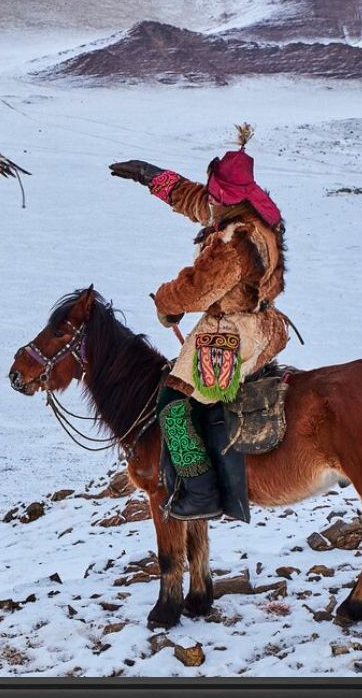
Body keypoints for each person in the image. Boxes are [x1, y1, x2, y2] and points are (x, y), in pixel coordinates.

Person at [109, 123, 290, 520]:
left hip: (232, 332)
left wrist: (165, 303)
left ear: (228, 199)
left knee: (172, 402)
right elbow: (193, 198)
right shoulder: (253, 215)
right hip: (265, 325)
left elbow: (196, 289)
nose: (210, 202)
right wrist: (151, 176)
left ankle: (201, 490)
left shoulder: (234, 241)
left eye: (216, 196)